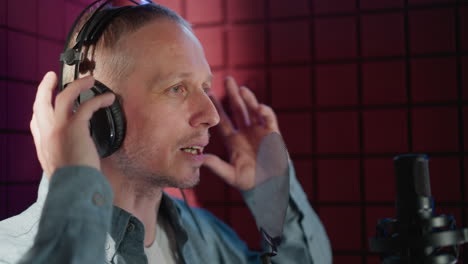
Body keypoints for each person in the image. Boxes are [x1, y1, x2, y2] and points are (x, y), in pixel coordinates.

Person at [0, 2, 331, 263]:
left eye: (204, 87)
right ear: (99, 112)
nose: (211, 116)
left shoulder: (205, 237)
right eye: (177, 88)